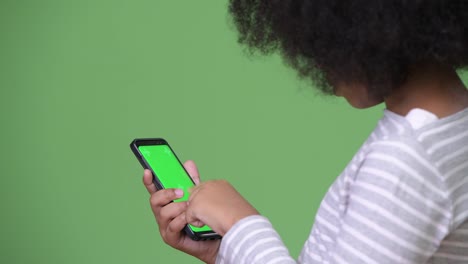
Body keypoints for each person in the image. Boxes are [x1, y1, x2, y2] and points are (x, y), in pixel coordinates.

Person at [142, 1, 468, 263]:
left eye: (321, 40)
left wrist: (241, 223)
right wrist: (221, 250)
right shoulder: (449, 128)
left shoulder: (404, 160)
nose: (314, 64)